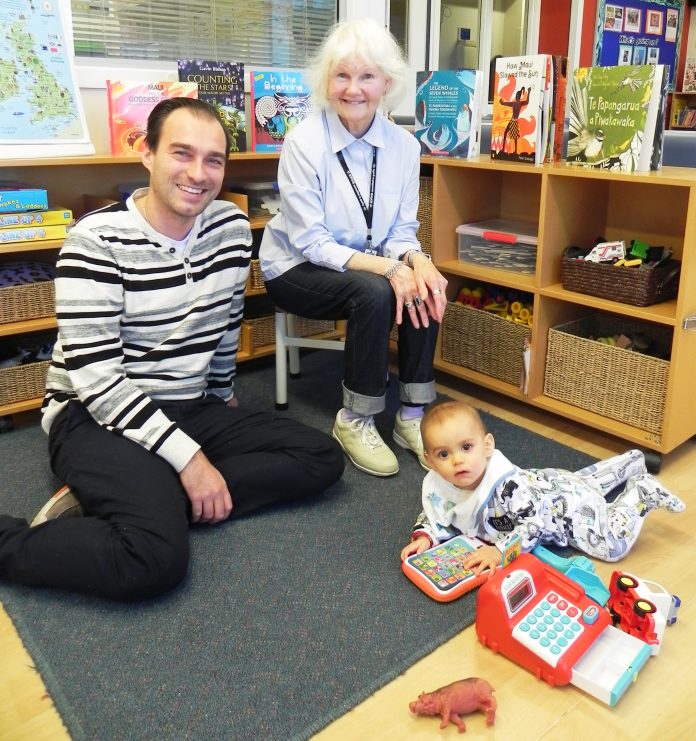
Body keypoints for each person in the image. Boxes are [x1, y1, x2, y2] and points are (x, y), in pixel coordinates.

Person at [0, 98, 344, 601]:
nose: (198, 173)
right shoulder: (93, 242)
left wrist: (223, 392)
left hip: (189, 404)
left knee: (320, 457)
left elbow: (226, 323)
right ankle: (18, 539)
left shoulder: (229, 228)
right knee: (153, 560)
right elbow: (98, 382)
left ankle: (140, 498)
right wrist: (191, 462)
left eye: (214, 160)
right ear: (147, 153)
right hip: (92, 414)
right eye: (182, 153)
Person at [260, 18, 448, 478]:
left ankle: (412, 414)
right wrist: (389, 268)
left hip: (361, 267)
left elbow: (402, 232)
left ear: (387, 82)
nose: (354, 89)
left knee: (422, 281)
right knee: (378, 290)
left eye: (367, 76)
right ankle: (355, 418)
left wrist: (419, 261)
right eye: (342, 75)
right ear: (327, 81)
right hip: (295, 268)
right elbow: (312, 243)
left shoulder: (404, 147)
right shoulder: (304, 142)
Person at [400, 400, 684, 571]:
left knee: (610, 545)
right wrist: (425, 535)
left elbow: (532, 528)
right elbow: (438, 510)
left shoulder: (506, 487)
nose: (457, 461)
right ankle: (630, 461)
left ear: (487, 446)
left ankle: (642, 492)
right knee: (581, 481)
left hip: (563, 512)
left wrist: (499, 552)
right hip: (552, 482)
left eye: (466, 447)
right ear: (430, 460)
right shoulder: (440, 484)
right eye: (444, 454)